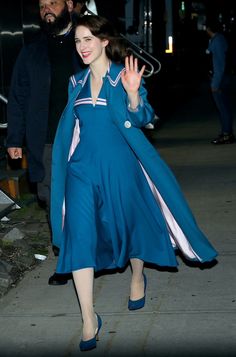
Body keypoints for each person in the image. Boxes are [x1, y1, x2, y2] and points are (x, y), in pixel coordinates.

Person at [50, 15, 218, 352]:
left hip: (122, 168)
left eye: (88, 40)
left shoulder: (124, 75)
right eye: (78, 41)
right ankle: (88, 318)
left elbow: (143, 118)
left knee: (131, 226)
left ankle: (138, 275)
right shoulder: (75, 82)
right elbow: (71, 131)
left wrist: (133, 96)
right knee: (79, 236)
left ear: (103, 41)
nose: (82, 47)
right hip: (82, 173)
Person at [6, 0, 83, 286]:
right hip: (47, 141)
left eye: (53, 2)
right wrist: (15, 138)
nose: (47, 8)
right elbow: (18, 96)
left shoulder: (86, 42)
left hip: (84, 138)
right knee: (52, 201)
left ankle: (84, 255)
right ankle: (65, 257)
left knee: (85, 200)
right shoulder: (32, 51)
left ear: (70, 5)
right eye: (41, 5)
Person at [205, 20, 235, 144]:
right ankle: (227, 132)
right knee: (225, 107)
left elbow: (219, 64)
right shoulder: (220, 39)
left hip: (220, 79)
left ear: (208, 29)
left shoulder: (217, 41)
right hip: (224, 78)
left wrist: (215, 83)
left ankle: (227, 134)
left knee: (223, 108)